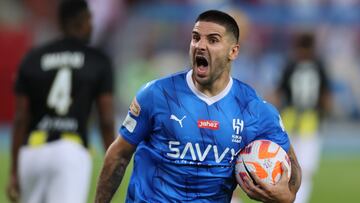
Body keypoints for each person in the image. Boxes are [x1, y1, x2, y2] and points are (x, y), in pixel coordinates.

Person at [95, 10, 301, 203]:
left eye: (213, 40)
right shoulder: (157, 95)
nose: (200, 45)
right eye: (196, 37)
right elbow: (119, 155)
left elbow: (290, 160)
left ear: (233, 51)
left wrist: (288, 194)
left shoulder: (253, 109)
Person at [6, 1, 115, 203]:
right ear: (82, 21)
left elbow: (21, 118)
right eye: (89, 19)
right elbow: (106, 120)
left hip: (32, 152)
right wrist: (114, 163)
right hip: (70, 150)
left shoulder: (33, 58)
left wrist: (14, 170)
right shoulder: (97, 60)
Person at [276, 32, 331, 203]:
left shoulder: (291, 64)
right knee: (304, 169)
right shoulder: (319, 65)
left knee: (286, 165)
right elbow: (325, 95)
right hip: (310, 120)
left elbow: (279, 92)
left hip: (290, 117)